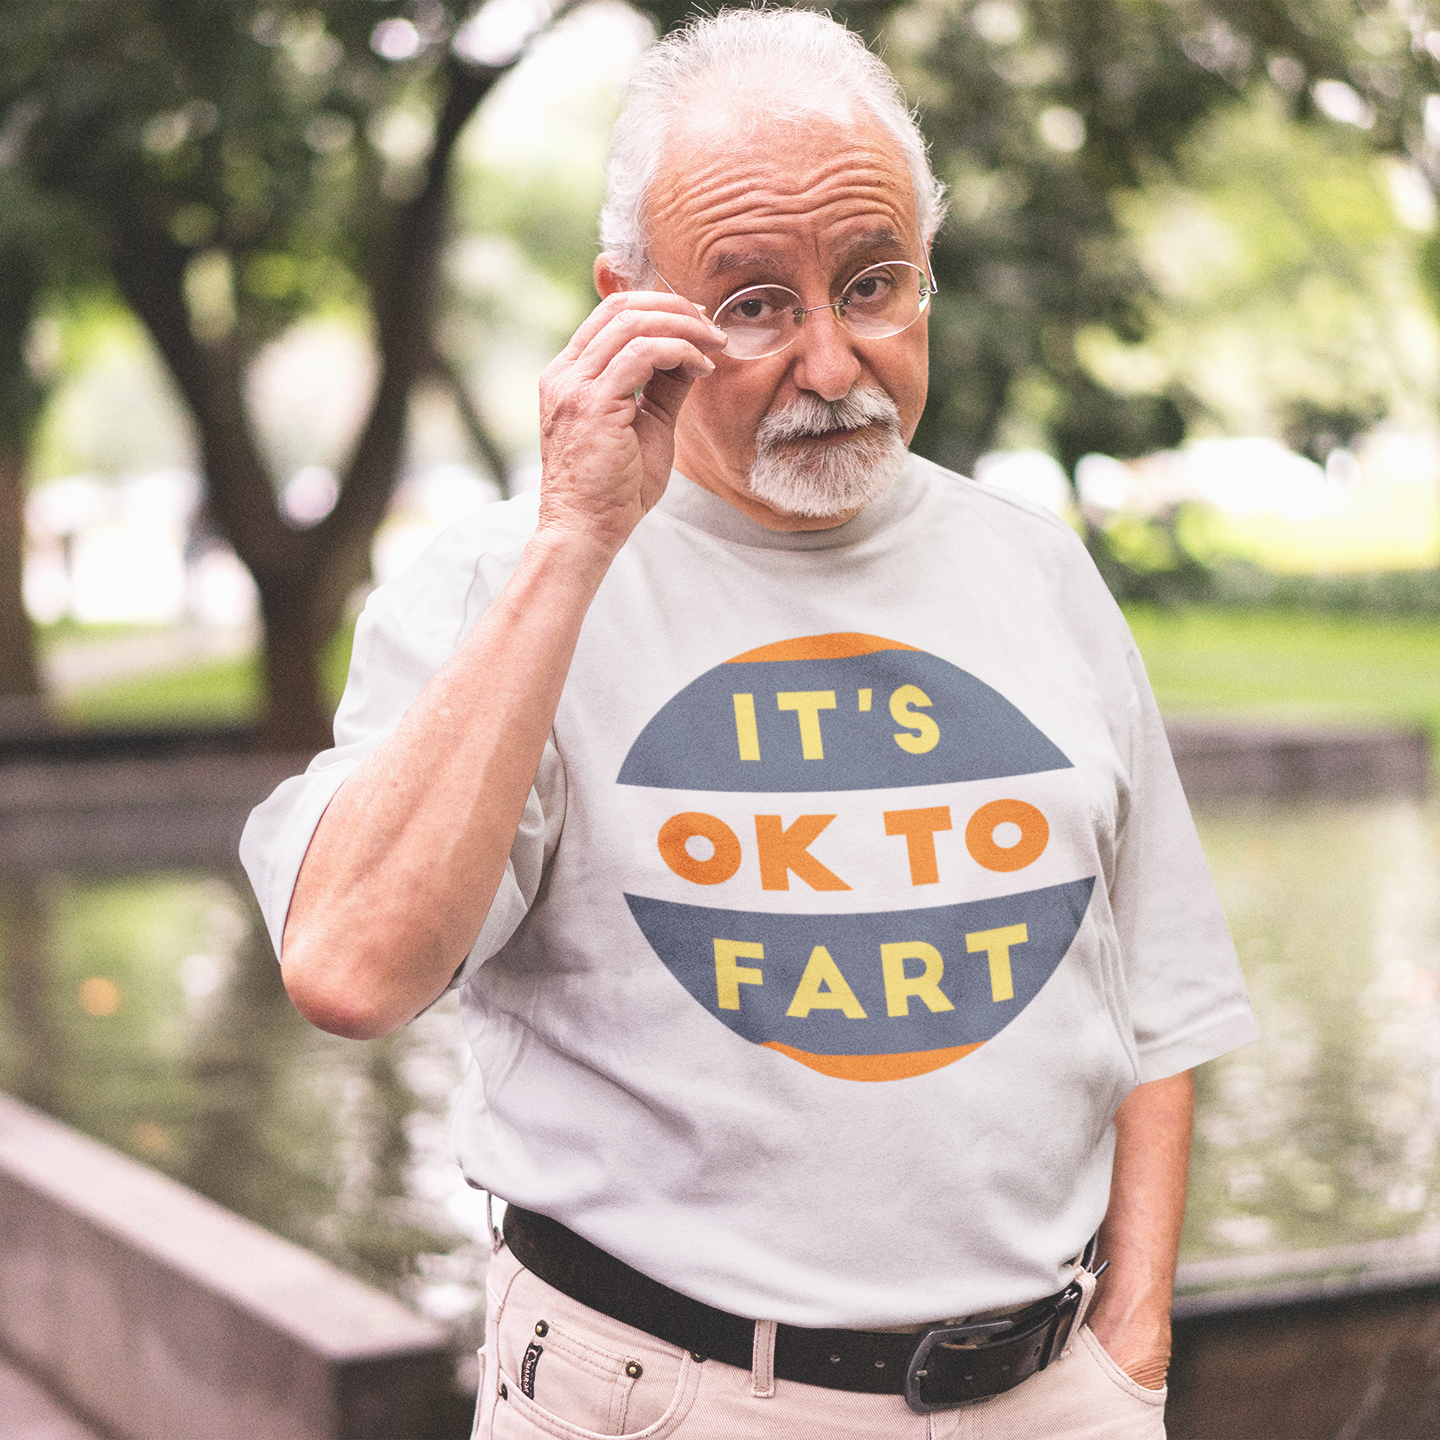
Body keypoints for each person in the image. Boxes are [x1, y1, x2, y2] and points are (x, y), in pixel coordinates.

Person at [241, 10, 1257, 1437]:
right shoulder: (502, 581)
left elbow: (1152, 995)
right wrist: (576, 541)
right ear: (627, 304)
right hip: (666, 1400)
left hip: (1051, 1397)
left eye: (874, 284)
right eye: (755, 303)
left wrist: (1132, 1346)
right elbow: (350, 968)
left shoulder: (1033, 568)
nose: (835, 364)